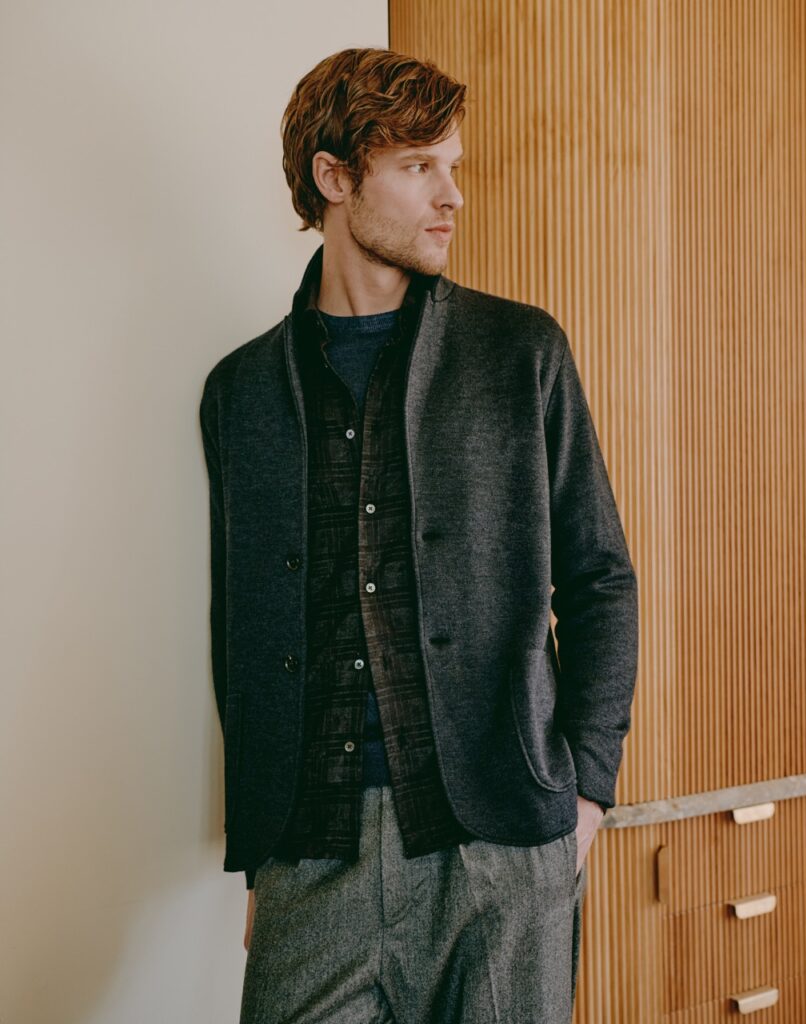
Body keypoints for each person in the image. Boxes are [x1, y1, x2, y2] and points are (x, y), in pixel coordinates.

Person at [199, 46, 638, 1024]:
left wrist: (587, 797)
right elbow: (246, 627)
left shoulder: (519, 353)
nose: (454, 195)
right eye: (419, 166)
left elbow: (601, 577)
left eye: (455, 165)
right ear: (336, 178)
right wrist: (263, 850)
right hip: (312, 855)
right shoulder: (242, 395)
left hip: (502, 846)